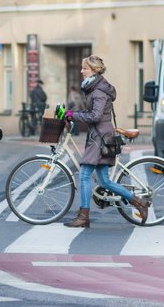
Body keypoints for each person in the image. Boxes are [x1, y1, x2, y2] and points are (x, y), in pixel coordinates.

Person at [62, 56, 150, 228]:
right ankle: (140, 203)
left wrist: (73, 115)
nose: (81, 71)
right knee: (105, 182)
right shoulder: (93, 88)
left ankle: (83, 216)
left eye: (84, 68)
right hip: (99, 136)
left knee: (85, 174)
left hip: (100, 138)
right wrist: (72, 114)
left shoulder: (99, 91)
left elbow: (95, 116)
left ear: (94, 70)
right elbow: (94, 113)